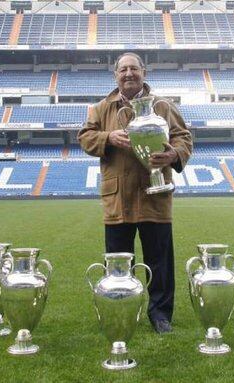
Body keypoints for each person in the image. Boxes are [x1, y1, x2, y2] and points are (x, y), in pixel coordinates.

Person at [78, 52, 193, 334]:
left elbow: (184, 136)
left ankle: (160, 315)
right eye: (123, 70)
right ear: (115, 75)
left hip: (156, 194)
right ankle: (122, 308)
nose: (128, 74)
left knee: (160, 262)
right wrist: (108, 138)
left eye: (134, 69)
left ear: (144, 72)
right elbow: (84, 137)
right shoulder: (101, 108)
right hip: (118, 198)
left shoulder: (163, 106)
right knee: (118, 262)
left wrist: (173, 154)